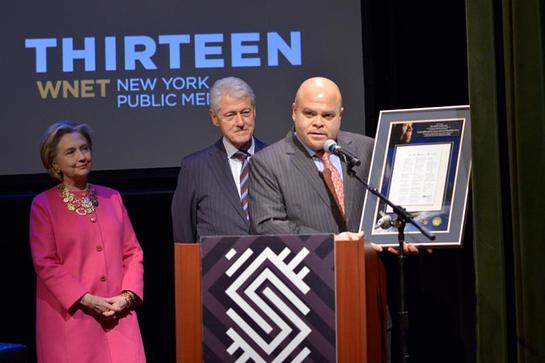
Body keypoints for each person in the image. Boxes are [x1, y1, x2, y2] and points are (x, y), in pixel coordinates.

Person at [30, 121, 146, 363]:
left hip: (119, 316)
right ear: (54, 163)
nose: (82, 156)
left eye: (85, 149)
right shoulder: (43, 205)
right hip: (72, 319)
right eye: (71, 152)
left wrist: (127, 297)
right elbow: (46, 263)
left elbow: (133, 252)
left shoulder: (112, 197)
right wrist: (86, 299)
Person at [249, 76, 375, 243]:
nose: (318, 123)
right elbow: (267, 225)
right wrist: (330, 241)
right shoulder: (267, 162)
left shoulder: (367, 149)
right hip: (311, 265)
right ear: (294, 112)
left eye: (328, 115)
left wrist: (394, 237)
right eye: (309, 113)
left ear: (340, 115)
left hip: (370, 263)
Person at [171, 76, 267, 242]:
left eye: (245, 112)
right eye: (230, 115)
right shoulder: (195, 168)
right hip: (218, 265)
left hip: (271, 263)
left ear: (254, 111)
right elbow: (184, 238)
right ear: (214, 117)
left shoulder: (275, 158)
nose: (240, 122)